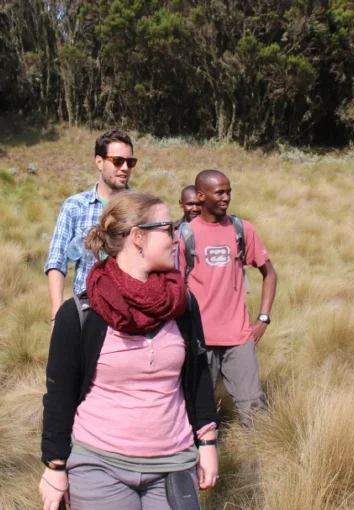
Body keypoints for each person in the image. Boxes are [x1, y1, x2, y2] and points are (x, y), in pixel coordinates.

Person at [40, 191, 219, 510]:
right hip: (98, 465)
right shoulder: (81, 313)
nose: (177, 237)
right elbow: (59, 395)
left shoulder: (182, 304)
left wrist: (207, 442)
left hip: (174, 464)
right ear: (138, 237)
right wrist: (54, 467)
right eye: (168, 229)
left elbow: (198, 375)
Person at [177, 170, 277, 429]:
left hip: (239, 338)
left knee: (254, 411)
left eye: (228, 191)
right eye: (219, 192)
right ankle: (204, 465)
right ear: (201, 196)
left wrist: (263, 319)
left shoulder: (242, 229)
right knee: (198, 412)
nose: (226, 197)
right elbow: (173, 289)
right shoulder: (183, 236)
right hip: (200, 341)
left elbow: (270, 274)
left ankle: (255, 467)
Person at [44, 129, 136, 322]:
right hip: (86, 311)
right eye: (118, 161)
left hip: (130, 312)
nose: (125, 167)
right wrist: (57, 314)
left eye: (130, 162)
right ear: (99, 162)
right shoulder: (75, 206)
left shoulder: (140, 207)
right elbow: (57, 260)